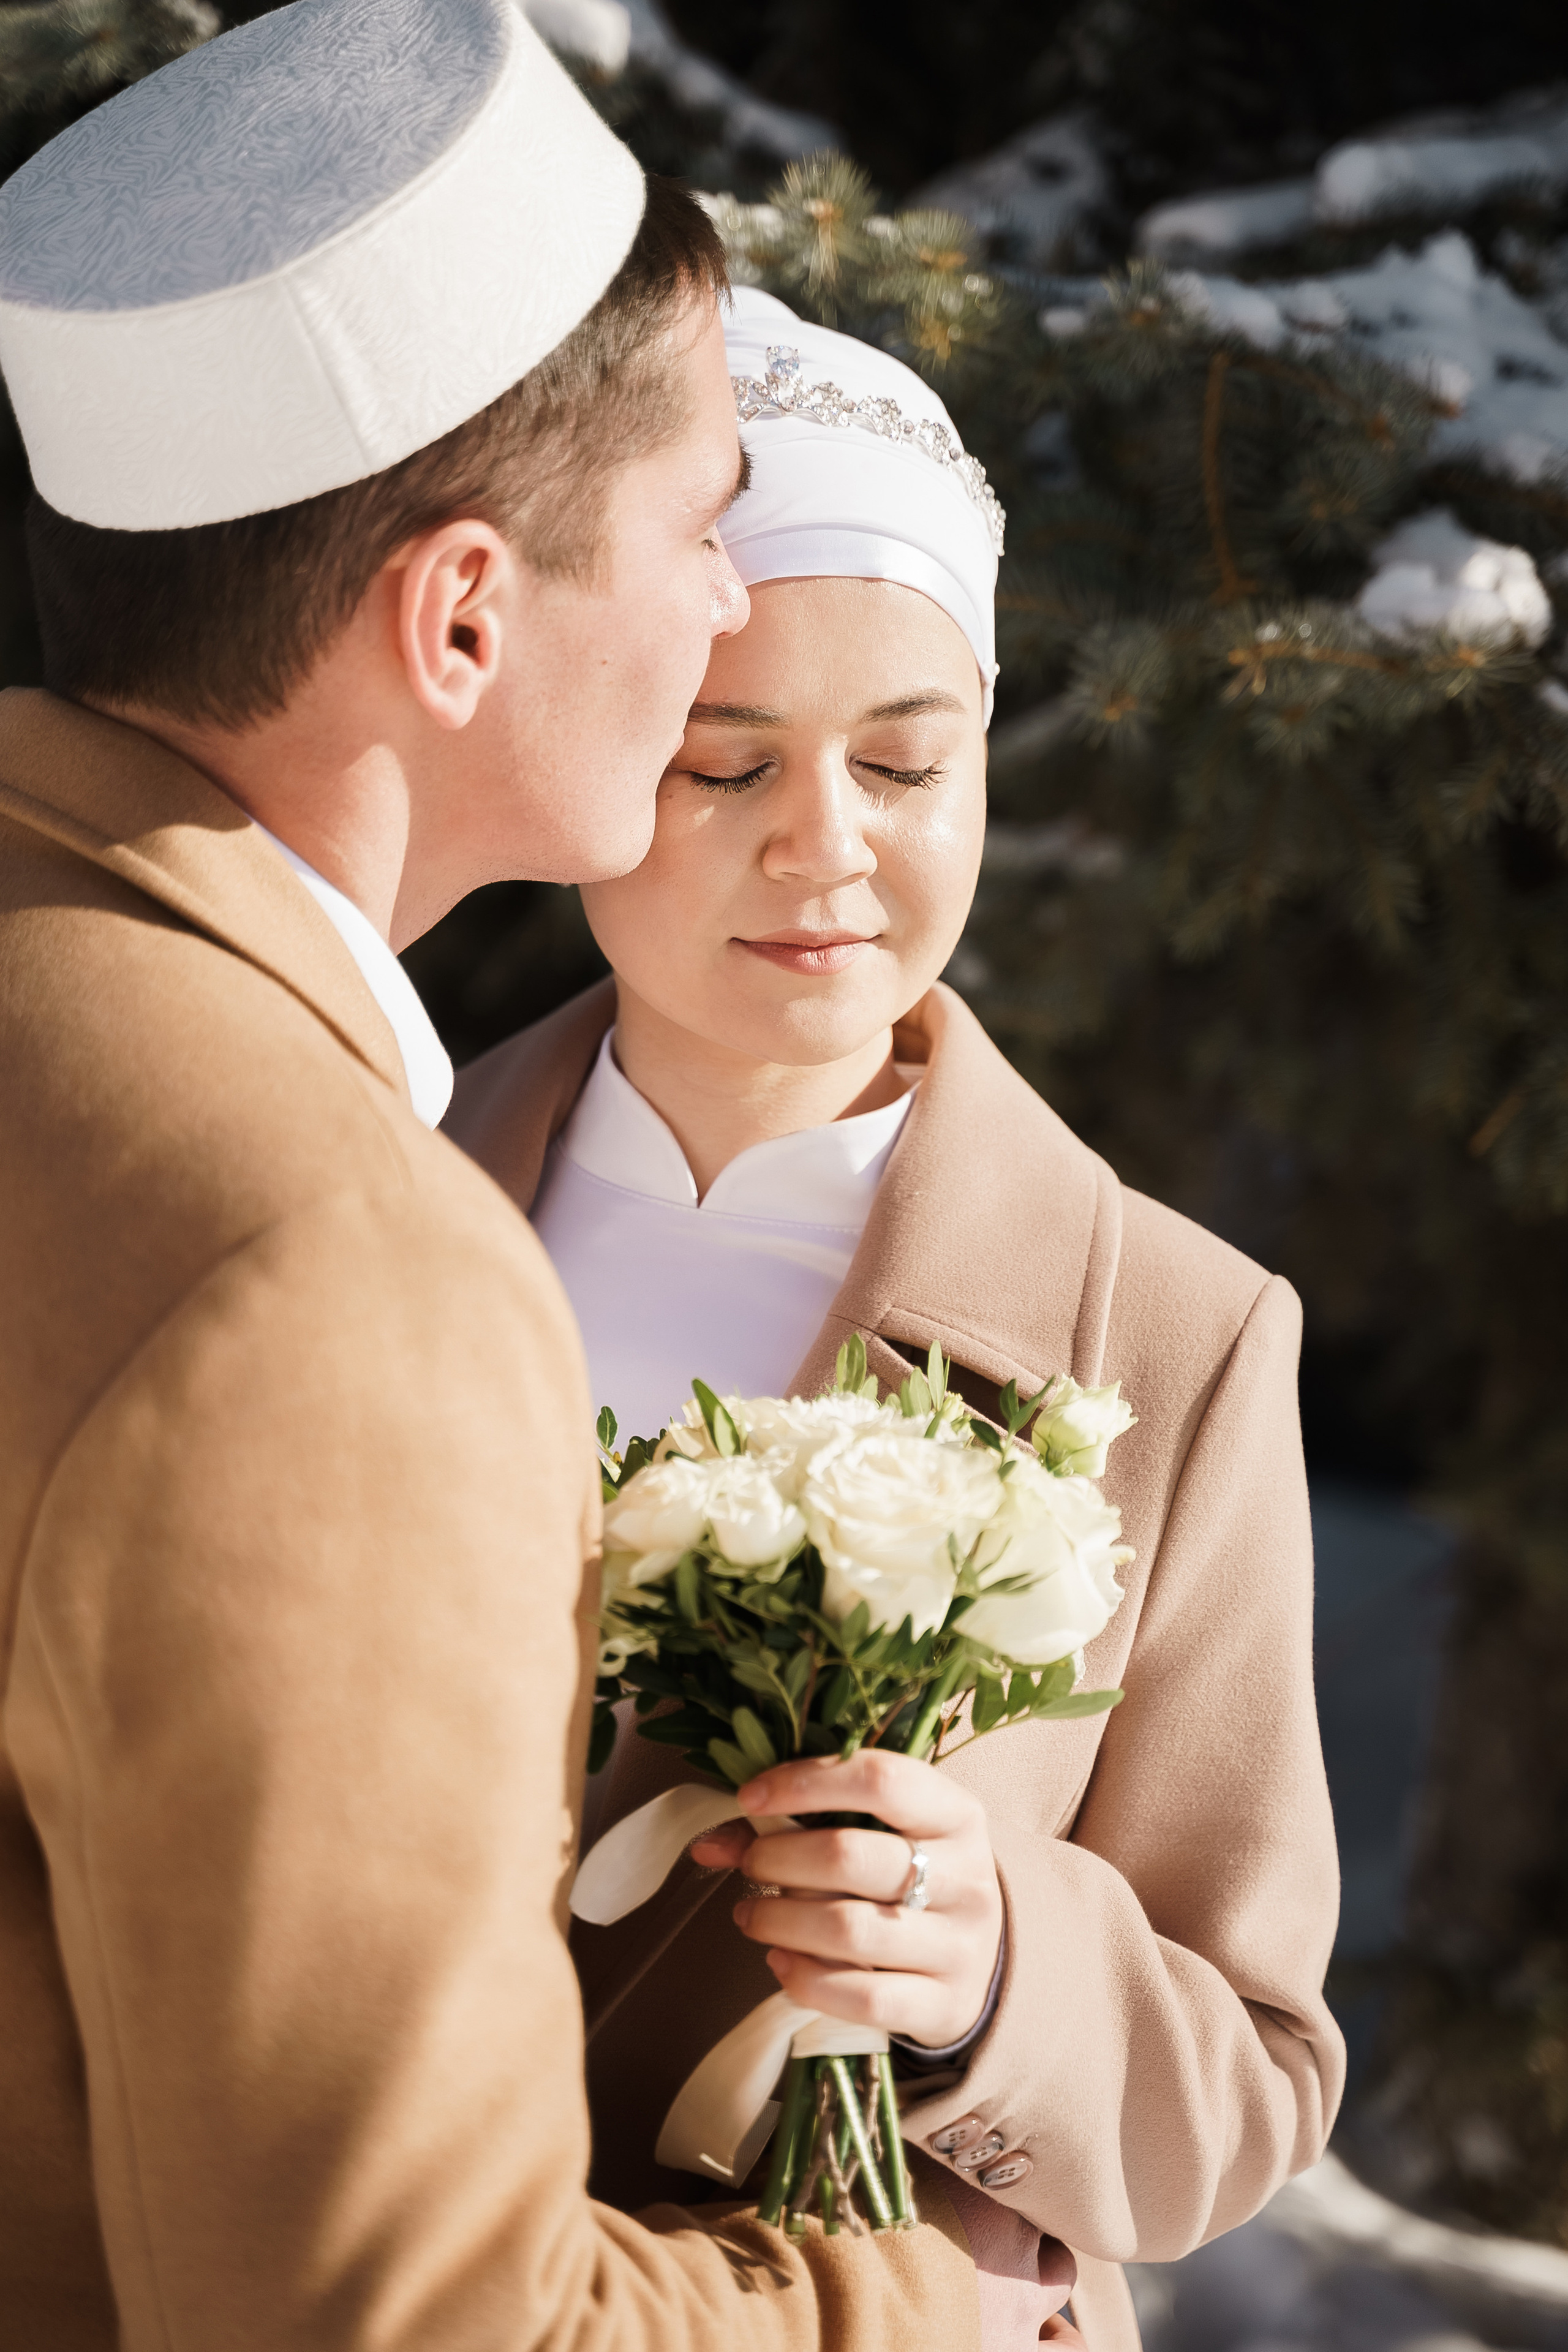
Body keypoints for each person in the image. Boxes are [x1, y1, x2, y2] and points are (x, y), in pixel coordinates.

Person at [0, 10, 985, 2349]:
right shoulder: (332, 1276)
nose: (731, 599)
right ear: (461, 617)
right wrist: (890, 2310)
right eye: (700, 517)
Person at [447, 287, 1349, 2352]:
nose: (826, 848)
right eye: (724, 761)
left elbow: (1254, 2078)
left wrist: (988, 1970)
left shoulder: (1177, 1338)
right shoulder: (387, 1184)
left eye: (908, 762)